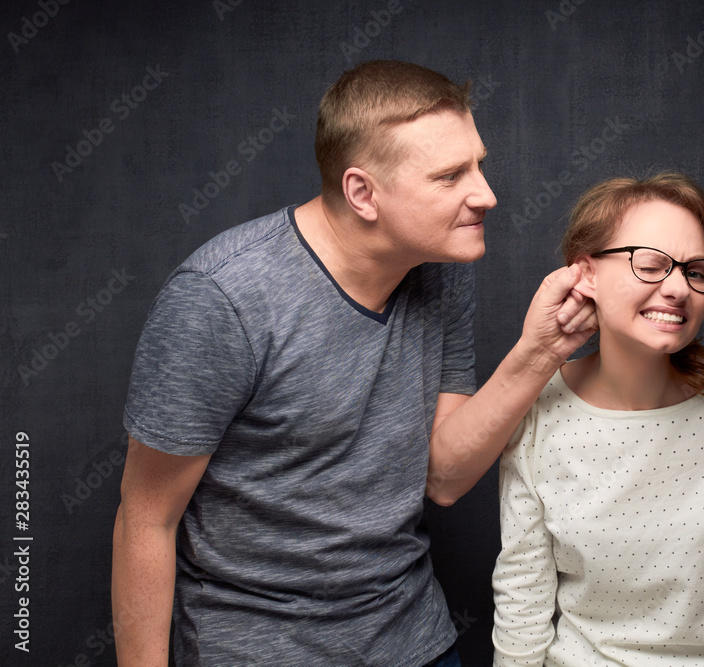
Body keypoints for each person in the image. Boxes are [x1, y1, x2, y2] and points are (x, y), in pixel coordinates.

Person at [111, 60, 596, 667]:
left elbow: (443, 477)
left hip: (411, 637)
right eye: (450, 176)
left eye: (479, 163)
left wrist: (542, 351)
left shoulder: (438, 269)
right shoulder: (222, 297)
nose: (486, 195)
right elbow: (146, 521)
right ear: (362, 192)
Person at [492, 172, 704, 666]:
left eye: (696, 271)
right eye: (652, 265)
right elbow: (522, 592)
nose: (679, 288)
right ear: (586, 273)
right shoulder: (536, 403)